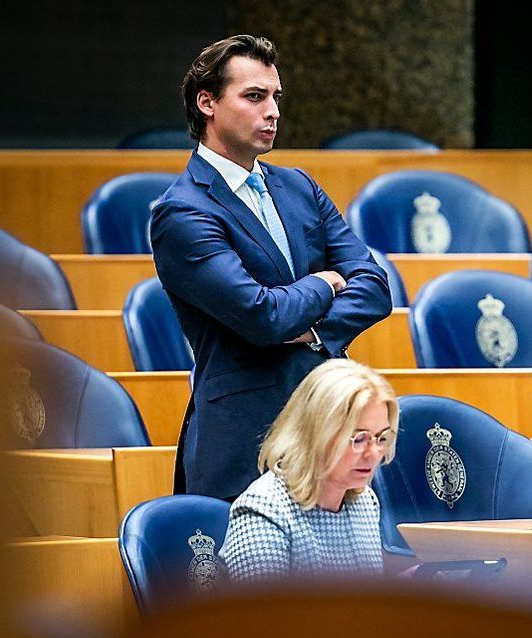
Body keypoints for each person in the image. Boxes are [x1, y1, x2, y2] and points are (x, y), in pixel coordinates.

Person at [151, 35, 392, 500]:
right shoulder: (182, 211)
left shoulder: (299, 186)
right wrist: (326, 281)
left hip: (327, 424)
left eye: (275, 97)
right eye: (254, 96)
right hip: (245, 436)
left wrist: (314, 332)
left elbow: (375, 287)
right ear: (207, 103)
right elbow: (263, 317)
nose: (273, 111)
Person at [220, 359, 397, 582]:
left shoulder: (364, 503)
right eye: (359, 438)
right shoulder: (264, 511)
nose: (373, 453)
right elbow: (264, 616)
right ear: (316, 434)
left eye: (381, 438)